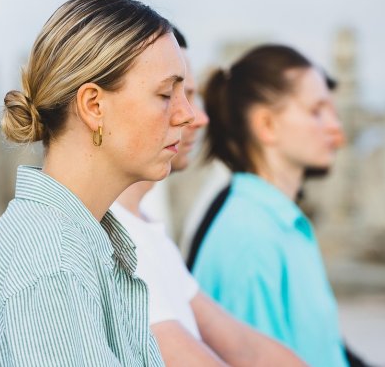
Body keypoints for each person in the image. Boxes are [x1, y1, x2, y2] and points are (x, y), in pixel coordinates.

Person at [0, 0, 194, 366]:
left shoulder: (80, 240)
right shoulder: (52, 265)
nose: (186, 115)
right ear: (94, 106)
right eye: (165, 94)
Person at [111, 29, 307, 366]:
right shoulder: (113, 239)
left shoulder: (147, 231)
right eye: (166, 95)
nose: (196, 117)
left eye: (190, 96)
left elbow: (245, 346)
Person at [191, 44, 350, 367]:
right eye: (317, 111)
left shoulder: (280, 221)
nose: (335, 127)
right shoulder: (250, 237)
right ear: (266, 125)